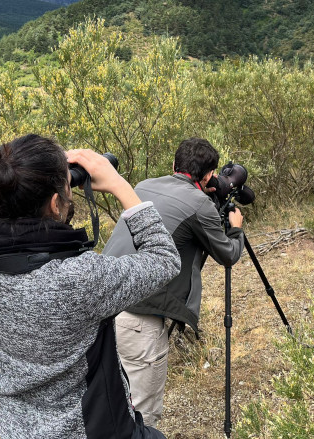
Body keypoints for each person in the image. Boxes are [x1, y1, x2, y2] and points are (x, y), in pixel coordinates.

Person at [0, 134, 181, 439]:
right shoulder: (77, 278)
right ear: (56, 204)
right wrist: (119, 185)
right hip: (87, 427)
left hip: (16, 426)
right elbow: (164, 259)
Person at [102, 137, 245, 427]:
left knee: (110, 405)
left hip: (103, 309)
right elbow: (227, 255)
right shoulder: (199, 204)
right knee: (142, 417)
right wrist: (237, 229)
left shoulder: (142, 186)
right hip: (139, 320)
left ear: (173, 165)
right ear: (207, 176)